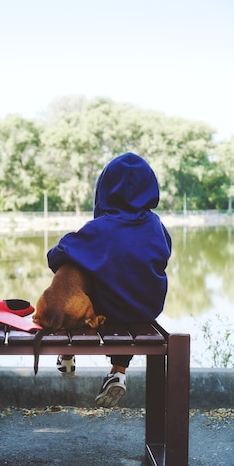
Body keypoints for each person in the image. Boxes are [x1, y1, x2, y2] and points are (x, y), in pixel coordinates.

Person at [46, 152, 172, 407]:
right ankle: (118, 371)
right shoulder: (156, 226)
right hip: (145, 310)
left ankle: (67, 351)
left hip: (108, 310)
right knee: (120, 291)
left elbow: (57, 255)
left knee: (77, 275)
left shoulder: (100, 228)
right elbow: (163, 256)